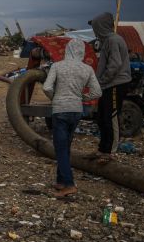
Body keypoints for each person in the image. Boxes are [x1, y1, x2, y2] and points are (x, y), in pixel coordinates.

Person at [43, 39, 102, 197]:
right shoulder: (87, 69)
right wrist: (82, 97)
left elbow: (46, 87)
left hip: (60, 110)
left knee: (60, 148)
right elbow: (97, 92)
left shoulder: (57, 66)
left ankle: (69, 184)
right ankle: (61, 180)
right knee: (66, 146)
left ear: (67, 50)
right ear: (81, 51)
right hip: (76, 110)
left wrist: (55, 97)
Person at [89, 12, 132, 161]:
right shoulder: (107, 41)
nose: (94, 30)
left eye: (95, 27)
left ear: (101, 26)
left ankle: (110, 152)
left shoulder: (113, 40)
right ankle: (103, 149)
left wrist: (103, 81)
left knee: (111, 116)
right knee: (102, 117)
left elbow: (115, 65)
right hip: (108, 85)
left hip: (115, 84)